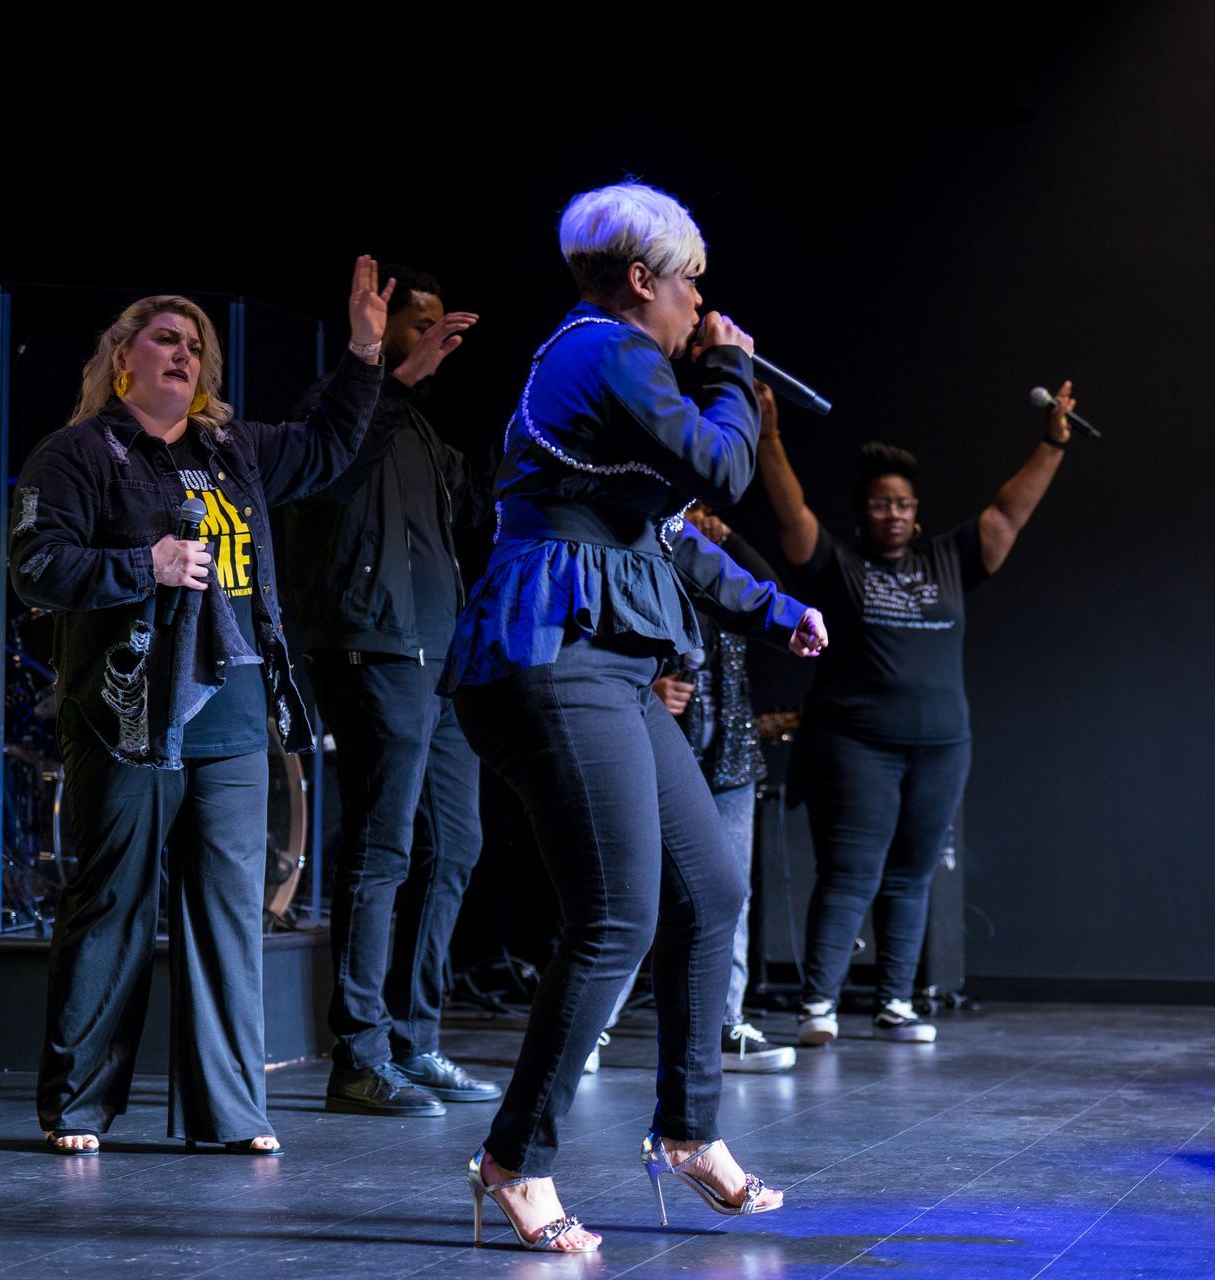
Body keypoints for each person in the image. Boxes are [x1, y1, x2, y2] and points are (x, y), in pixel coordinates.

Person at [439, 182, 827, 1252]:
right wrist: (736, 373)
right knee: (615, 914)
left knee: (711, 884)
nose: (704, 301)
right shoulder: (599, 350)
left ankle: (689, 1128)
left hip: (604, 658)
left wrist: (778, 604)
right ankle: (514, 1155)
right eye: (693, 281)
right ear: (644, 279)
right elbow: (723, 468)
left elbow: (667, 536)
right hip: (548, 653)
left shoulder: (623, 371)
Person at [11, 257, 391, 1155]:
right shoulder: (76, 454)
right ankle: (78, 1106)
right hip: (127, 713)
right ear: (122, 359)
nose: (184, 354)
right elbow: (35, 566)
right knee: (114, 904)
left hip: (231, 716)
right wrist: (140, 566)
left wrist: (367, 352)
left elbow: (331, 444)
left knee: (228, 910)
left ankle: (229, 1113)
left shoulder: (234, 453)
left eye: (197, 346)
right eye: (165, 338)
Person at [754, 377, 1077, 1046]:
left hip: (941, 746)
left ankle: (895, 1001)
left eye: (903, 504)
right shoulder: (839, 564)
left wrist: (1052, 444)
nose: (893, 514)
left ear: (916, 512)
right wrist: (770, 437)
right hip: (856, 744)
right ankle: (819, 1004)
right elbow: (791, 518)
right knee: (851, 870)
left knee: (912, 873)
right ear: (863, 513)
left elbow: (1008, 515)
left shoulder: (949, 560)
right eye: (880, 504)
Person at [277, 266, 497, 1117]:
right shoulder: (332, 405)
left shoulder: (427, 438)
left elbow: (478, 507)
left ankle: (414, 1039)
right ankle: (359, 1057)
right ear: (381, 321)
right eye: (421, 321)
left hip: (438, 663)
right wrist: (389, 376)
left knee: (460, 845)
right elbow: (321, 473)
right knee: (383, 849)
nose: (438, 335)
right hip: (371, 650)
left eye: (446, 323)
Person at [650, 503, 797, 1073]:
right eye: (690, 508)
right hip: (665, 748)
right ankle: (598, 1030)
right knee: (633, 894)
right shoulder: (650, 558)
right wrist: (652, 684)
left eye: (709, 509)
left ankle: (725, 1023)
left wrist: (729, 537)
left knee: (733, 891)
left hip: (730, 755)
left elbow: (772, 593)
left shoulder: (722, 575)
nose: (700, 518)